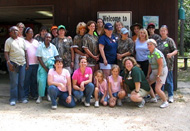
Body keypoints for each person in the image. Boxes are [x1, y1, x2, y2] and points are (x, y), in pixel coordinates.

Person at [4, 26, 29, 106]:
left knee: (21, 82)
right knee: (14, 82)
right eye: (13, 30)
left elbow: (26, 52)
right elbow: (6, 53)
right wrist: (8, 63)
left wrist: (27, 63)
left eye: (16, 30)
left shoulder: (22, 40)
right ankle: (13, 99)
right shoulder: (8, 41)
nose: (15, 32)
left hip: (22, 63)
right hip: (13, 63)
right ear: (10, 32)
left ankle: (21, 98)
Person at [156, 25, 178, 103]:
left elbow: (175, 50)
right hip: (160, 65)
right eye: (161, 31)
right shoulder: (158, 41)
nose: (162, 32)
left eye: (164, 31)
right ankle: (160, 95)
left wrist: (171, 54)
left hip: (168, 64)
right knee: (160, 81)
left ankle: (170, 95)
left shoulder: (170, 40)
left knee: (168, 81)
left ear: (167, 32)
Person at [36, 33, 59, 104]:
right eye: (47, 37)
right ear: (44, 38)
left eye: (49, 38)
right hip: (43, 66)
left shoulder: (53, 47)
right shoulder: (40, 47)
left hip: (51, 66)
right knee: (41, 81)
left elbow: (56, 57)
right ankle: (40, 96)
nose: (48, 39)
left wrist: (55, 66)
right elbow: (39, 58)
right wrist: (45, 68)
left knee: (50, 82)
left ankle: (49, 94)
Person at [147, 39, 169, 108]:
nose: (149, 46)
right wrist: (148, 74)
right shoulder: (149, 53)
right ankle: (153, 98)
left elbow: (161, 65)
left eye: (151, 44)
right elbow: (150, 65)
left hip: (161, 72)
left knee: (157, 88)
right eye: (148, 44)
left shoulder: (157, 53)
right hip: (154, 71)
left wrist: (158, 75)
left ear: (154, 45)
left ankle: (165, 101)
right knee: (147, 84)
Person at [23, 27, 39, 100]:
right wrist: (26, 63)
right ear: (26, 33)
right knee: (26, 80)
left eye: (32, 32)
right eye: (30, 32)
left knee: (34, 80)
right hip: (28, 65)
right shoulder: (23, 42)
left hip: (36, 64)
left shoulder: (36, 41)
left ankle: (34, 94)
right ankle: (25, 95)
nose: (32, 33)